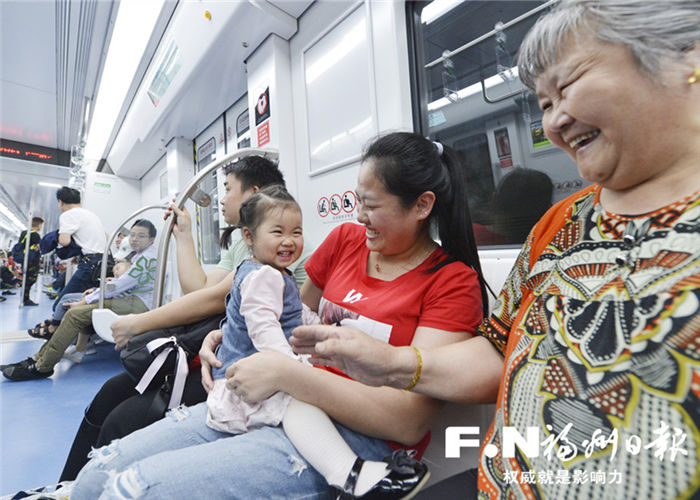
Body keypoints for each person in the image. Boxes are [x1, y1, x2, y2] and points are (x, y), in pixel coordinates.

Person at [291, 2, 700, 498]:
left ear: (685, 59)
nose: (555, 121)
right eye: (544, 105)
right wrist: (393, 362)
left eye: (566, 87)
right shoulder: (561, 223)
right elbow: (496, 350)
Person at [69, 132, 487, 499]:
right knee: (95, 477)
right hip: (272, 399)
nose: (358, 215)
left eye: (371, 205)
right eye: (357, 200)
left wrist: (288, 375)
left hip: (350, 436)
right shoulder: (346, 241)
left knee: (130, 490)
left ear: (422, 205)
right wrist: (231, 334)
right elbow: (286, 315)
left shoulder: (452, 282)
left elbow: (407, 421)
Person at [59, 155, 312, 481]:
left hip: (238, 364)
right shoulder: (241, 244)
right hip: (217, 347)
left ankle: (86, 485)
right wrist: (184, 235)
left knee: (121, 420)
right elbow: (201, 287)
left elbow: (211, 300)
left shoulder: (278, 252)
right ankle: (65, 486)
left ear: (253, 193)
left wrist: (138, 322)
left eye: (228, 189)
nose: (222, 198)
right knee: (109, 393)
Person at [1, 219, 159, 381]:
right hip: (131, 299)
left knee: (74, 314)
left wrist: (88, 299)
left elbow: (118, 286)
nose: (134, 239)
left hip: (138, 304)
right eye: (132, 235)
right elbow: (125, 283)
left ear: (151, 239)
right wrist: (99, 290)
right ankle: (37, 359)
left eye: (140, 236)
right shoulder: (141, 256)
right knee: (74, 310)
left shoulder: (146, 260)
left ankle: (43, 366)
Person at [52, 186, 107, 308]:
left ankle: (53, 326)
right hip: (104, 263)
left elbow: (64, 241)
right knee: (89, 303)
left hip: (89, 266)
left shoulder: (68, 215)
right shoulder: (92, 215)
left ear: (60, 202)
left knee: (60, 305)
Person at [14, 216, 45, 306]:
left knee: (26, 277)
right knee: (31, 279)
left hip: (25, 259)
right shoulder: (35, 235)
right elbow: (38, 247)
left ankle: (24, 297)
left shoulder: (24, 233)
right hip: (33, 260)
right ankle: (25, 299)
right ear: (38, 225)